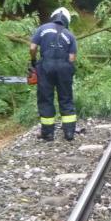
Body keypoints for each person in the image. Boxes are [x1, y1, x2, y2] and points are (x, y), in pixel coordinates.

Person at [29, 7, 78, 141]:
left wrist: (33, 61)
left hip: (45, 67)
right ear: (67, 20)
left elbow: (33, 47)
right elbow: (72, 58)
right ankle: (69, 133)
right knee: (66, 99)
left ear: (53, 16)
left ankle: (48, 133)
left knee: (46, 100)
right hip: (64, 68)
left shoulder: (43, 28)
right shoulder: (70, 35)